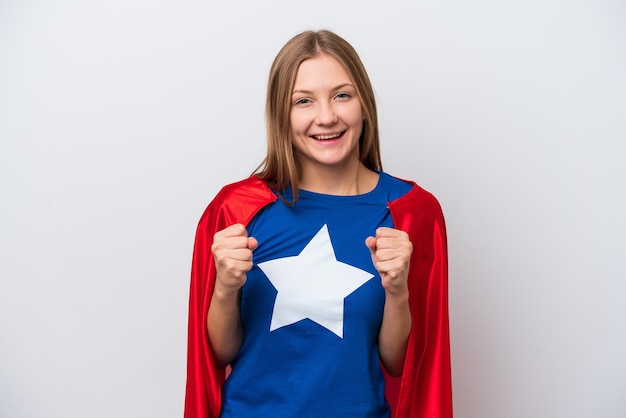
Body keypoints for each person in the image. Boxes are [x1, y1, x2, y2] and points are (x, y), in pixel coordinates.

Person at [184, 30, 452, 418]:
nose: (326, 117)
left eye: (342, 95)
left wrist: (398, 291)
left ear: (364, 103)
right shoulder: (237, 209)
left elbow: (400, 365)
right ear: (282, 113)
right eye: (303, 101)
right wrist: (225, 288)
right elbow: (219, 354)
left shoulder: (412, 212)